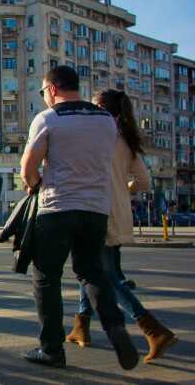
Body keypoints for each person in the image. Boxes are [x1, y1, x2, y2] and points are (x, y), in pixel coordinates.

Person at [20, 65, 139, 370]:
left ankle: (52, 349)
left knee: (47, 278)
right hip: (97, 210)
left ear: (53, 89)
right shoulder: (106, 120)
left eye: (43, 91)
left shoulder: (47, 118)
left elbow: (28, 169)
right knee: (91, 273)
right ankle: (115, 328)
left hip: (57, 209)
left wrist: (35, 184)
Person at [66, 90, 178, 363]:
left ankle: (153, 329)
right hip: (117, 212)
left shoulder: (96, 134)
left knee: (101, 276)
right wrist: (123, 188)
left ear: (101, 107)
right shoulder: (125, 137)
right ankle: (81, 328)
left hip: (95, 210)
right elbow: (144, 182)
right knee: (96, 270)